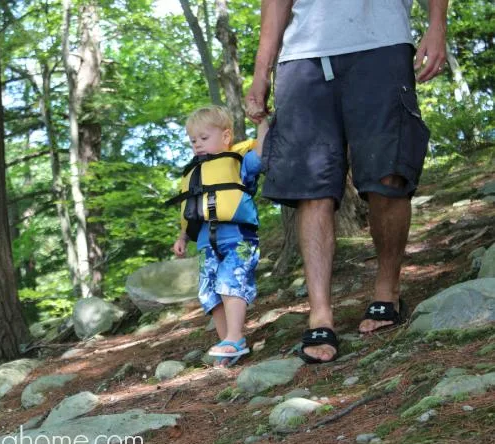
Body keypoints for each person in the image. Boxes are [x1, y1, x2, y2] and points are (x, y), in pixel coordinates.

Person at [245, 0, 448, 363]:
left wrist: (437, 26)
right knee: (313, 189)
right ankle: (320, 314)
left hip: (382, 44)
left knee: (388, 176)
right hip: (302, 56)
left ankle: (387, 289)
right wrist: (262, 71)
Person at [170, 105, 268, 368]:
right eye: (193, 141)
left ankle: (235, 336)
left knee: (231, 280)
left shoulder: (238, 162)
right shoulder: (194, 172)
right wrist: (182, 238)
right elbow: (190, 211)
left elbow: (262, 153)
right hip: (204, 241)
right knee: (209, 292)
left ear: (225, 137)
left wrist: (262, 121)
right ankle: (227, 343)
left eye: (204, 138)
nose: (198, 145)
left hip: (238, 237)